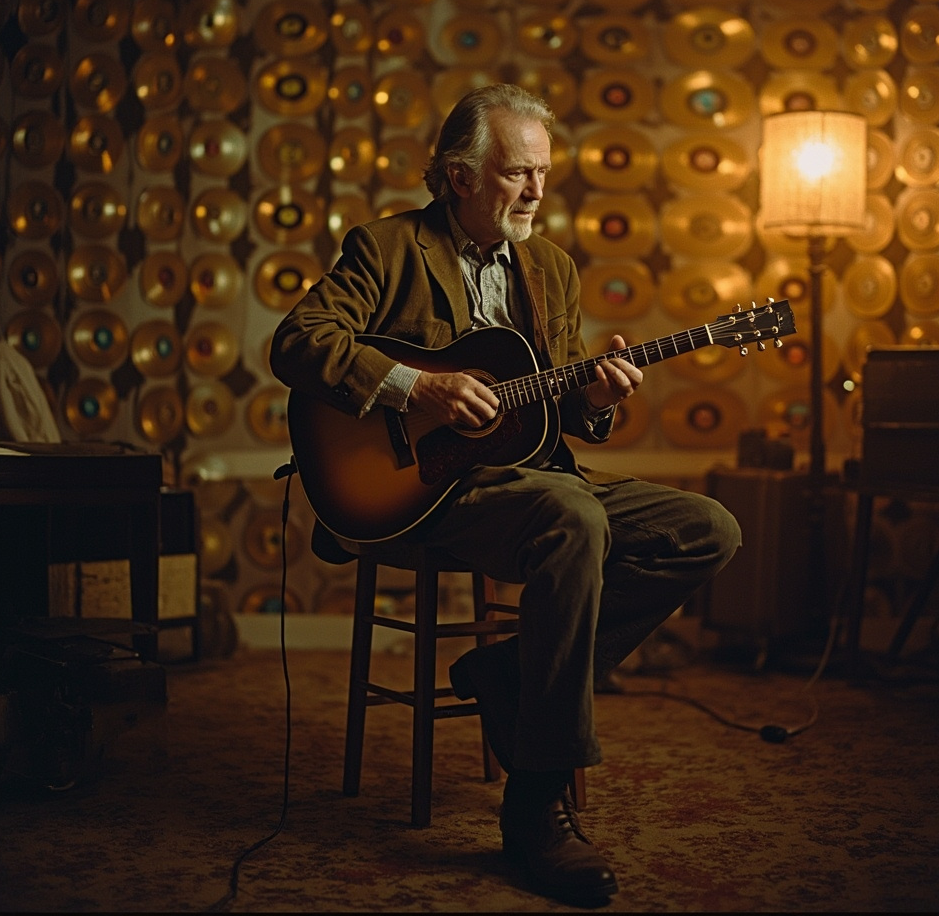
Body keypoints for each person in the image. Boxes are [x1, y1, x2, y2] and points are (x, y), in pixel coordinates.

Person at [270, 84, 742, 906]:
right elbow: (299, 343)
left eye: (544, 174)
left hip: (541, 477)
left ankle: (509, 674)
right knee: (573, 517)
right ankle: (536, 805)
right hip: (429, 491)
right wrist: (418, 387)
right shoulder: (386, 249)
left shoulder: (550, 267)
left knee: (709, 527)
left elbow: (555, 408)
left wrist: (593, 401)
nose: (537, 192)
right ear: (459, 176)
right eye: (519, 173)